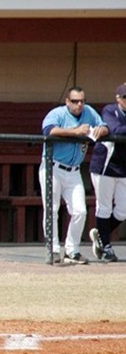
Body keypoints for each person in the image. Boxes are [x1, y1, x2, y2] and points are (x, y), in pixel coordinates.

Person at [40, 87, 108, 265]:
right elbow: (49, 130)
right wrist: (76, 132)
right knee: (51, 209)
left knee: (80, 210)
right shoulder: (58, 113)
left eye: (82, 101)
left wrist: (102, 129)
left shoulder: (89, 112)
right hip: (52, 166)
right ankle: (53, 249)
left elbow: (104, 126)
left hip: (74, 169)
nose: (80, 105)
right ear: (67, 101)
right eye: (75, 101)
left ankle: (72, 250)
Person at [89, 83, 126, 262]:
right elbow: (116, 130)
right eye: (125, 97)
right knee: (104, 206)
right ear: (118, 98)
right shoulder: (110, 110)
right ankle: (106, 247)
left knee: (123, 210)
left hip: (124, 168)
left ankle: (100, 234)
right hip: (105, 165)